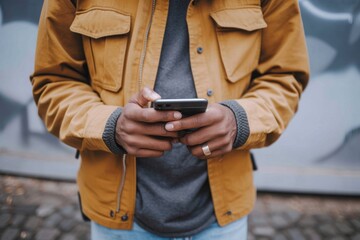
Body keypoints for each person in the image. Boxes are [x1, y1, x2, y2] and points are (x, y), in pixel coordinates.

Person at [31, 0, 309, 239]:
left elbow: (285, 76)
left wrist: (240, 120)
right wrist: (111, 127)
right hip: (117, 220)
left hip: (222, 220)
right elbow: (54, 81)